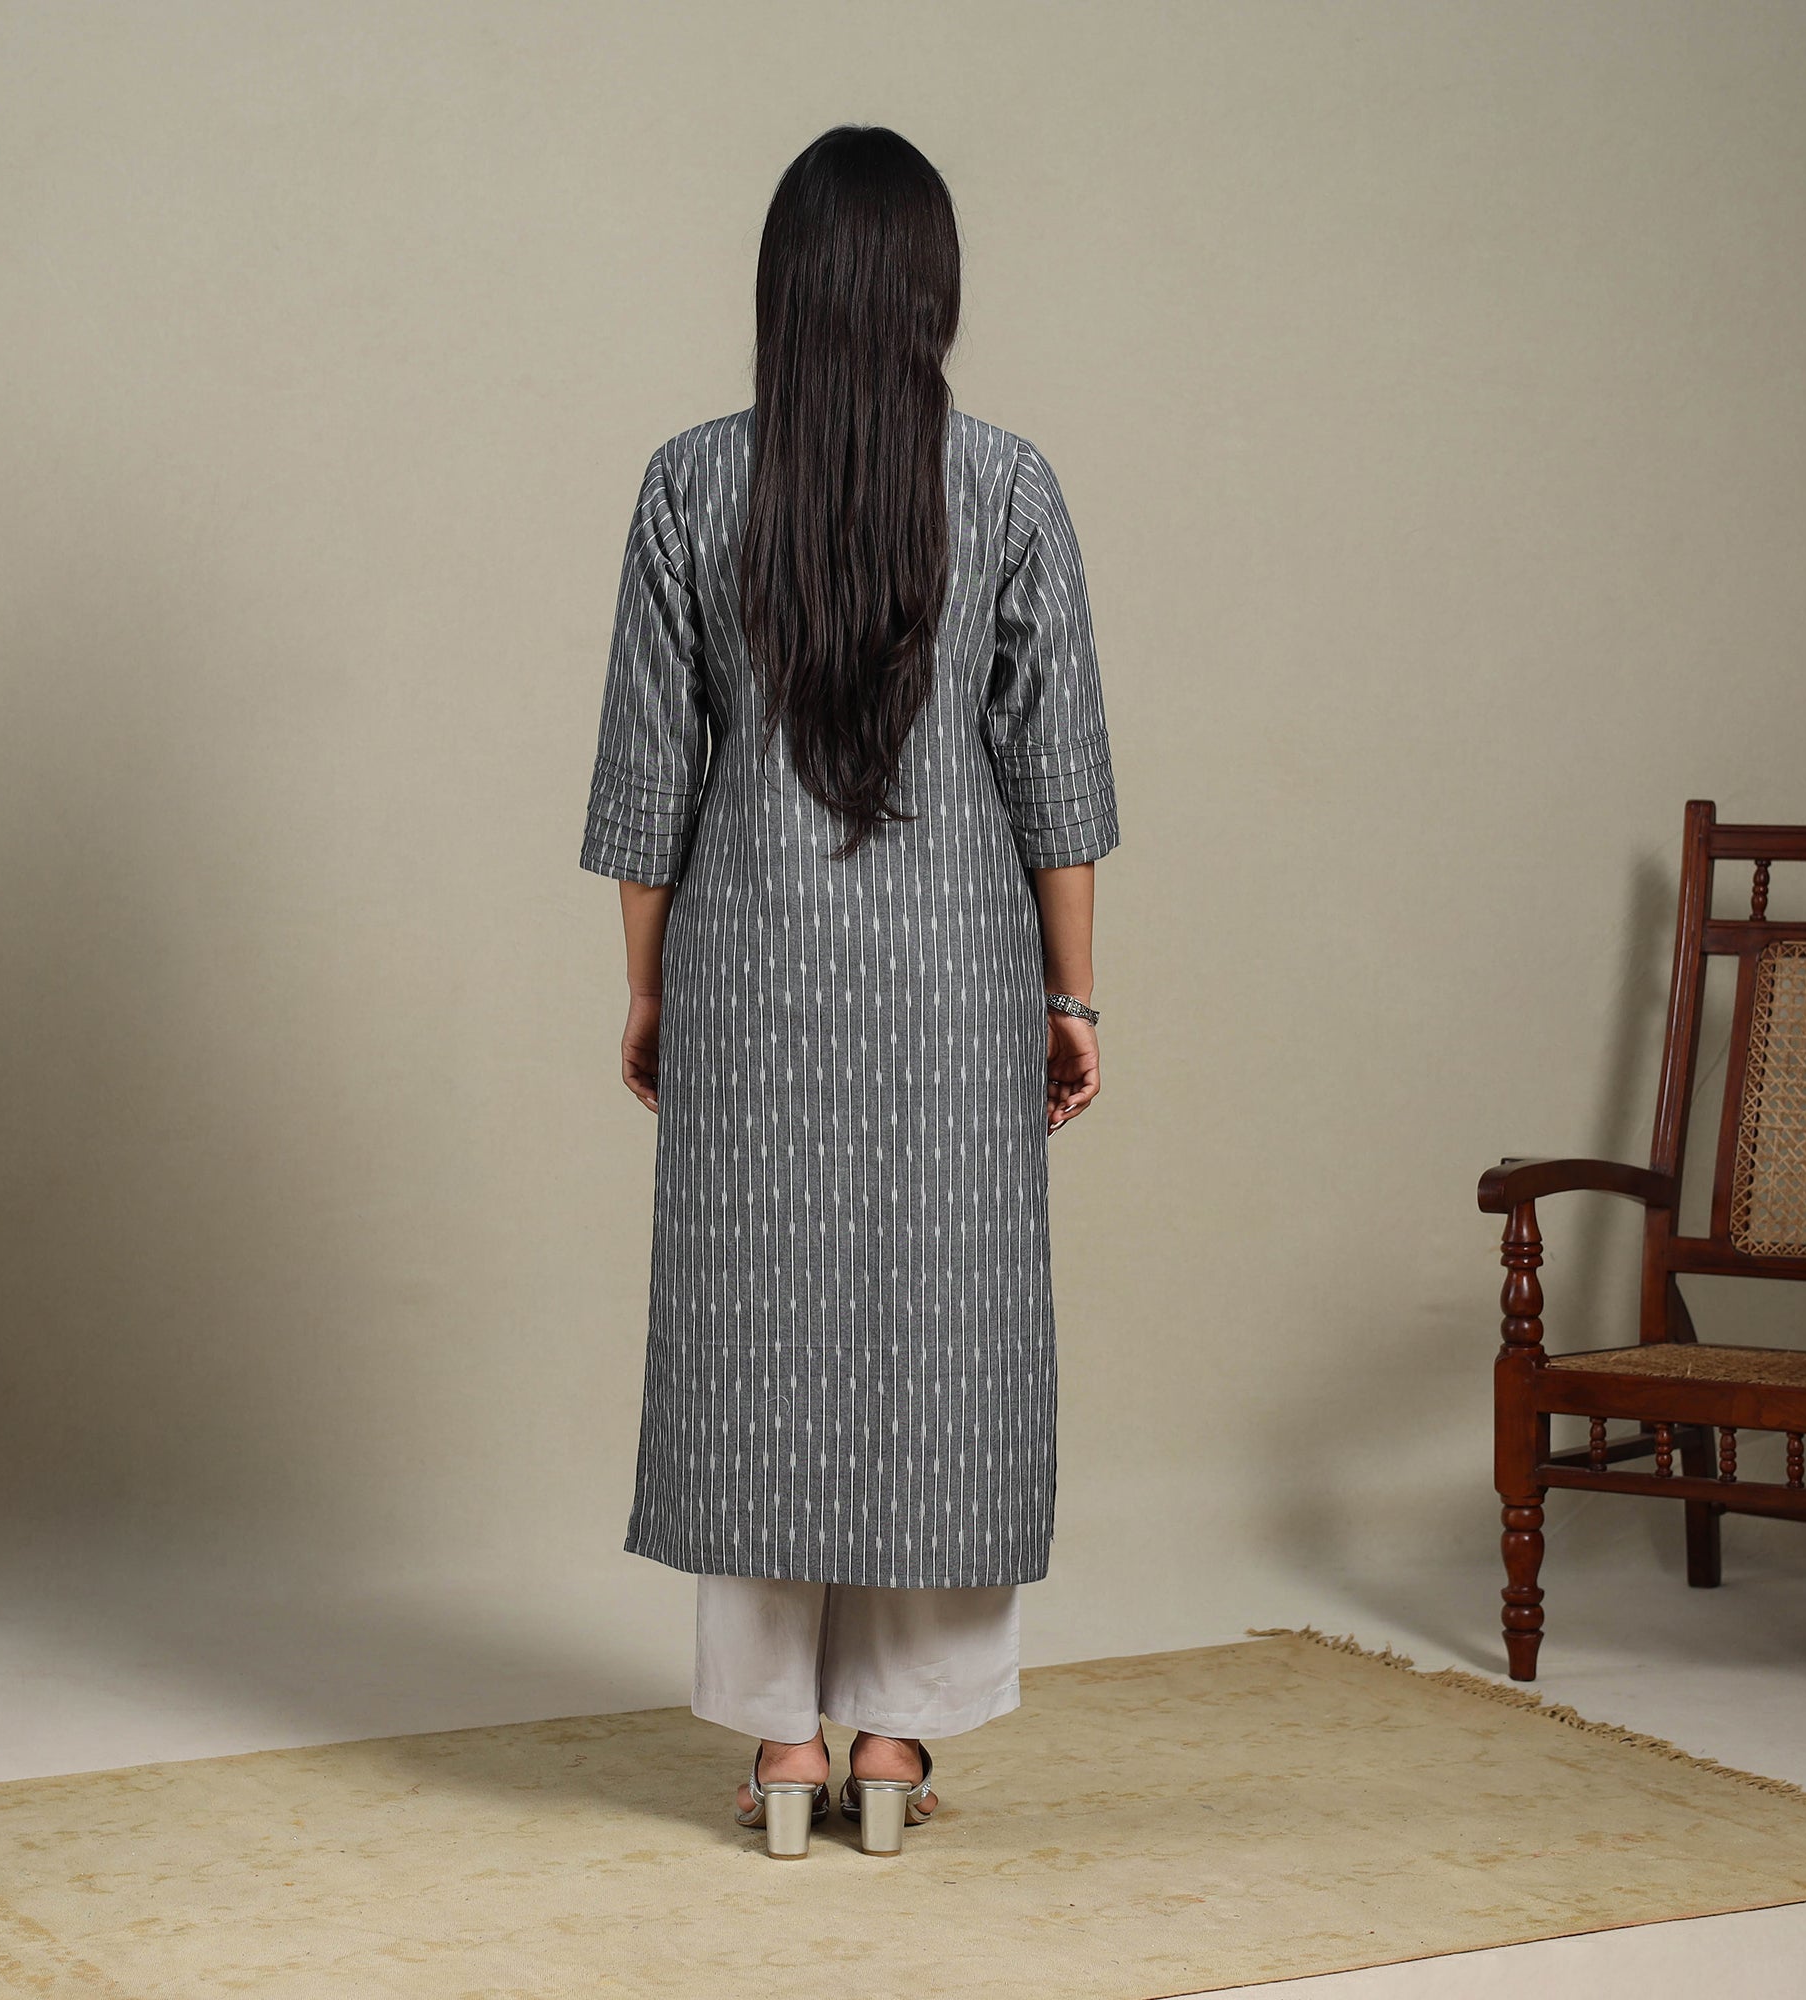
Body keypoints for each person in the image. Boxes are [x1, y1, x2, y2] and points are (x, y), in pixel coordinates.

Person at [578, 124, 1119, 1859]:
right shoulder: (1012, 485)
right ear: (931, 290)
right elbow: (1058, 776)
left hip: (749, 965)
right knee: (945, 1336)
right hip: (958, 974)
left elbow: (648, 780)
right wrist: (1075, 999)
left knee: (762, 1340)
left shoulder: (690, 481)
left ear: (783, 287)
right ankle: (897, 1743)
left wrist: (651, 987)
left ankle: (782, 1749)